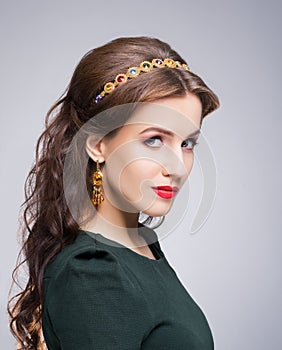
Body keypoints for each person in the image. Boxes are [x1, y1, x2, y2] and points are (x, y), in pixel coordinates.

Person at [8, 36, 220, 349]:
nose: (177, 167)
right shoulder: (91, 272)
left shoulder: (141, 244)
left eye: (187, 144)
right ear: (97, 144)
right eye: (154, 140)